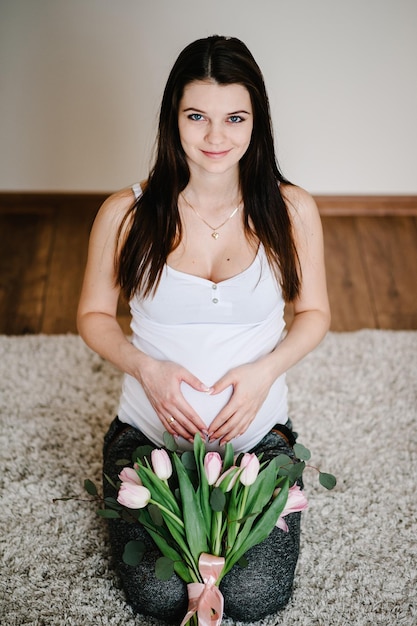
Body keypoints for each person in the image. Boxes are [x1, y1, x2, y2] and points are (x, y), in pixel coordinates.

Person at [77, 35, 330, 623]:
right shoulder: (126, 212)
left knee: (257, 595)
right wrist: (148, 368)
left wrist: (265, 371)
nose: (216, 138)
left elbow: (314, 314)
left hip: (254, 440)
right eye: (198, 116)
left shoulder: (291, 209)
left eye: (234, 118)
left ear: (256, 121)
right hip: (149, 439)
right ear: (173, 117)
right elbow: (92, 316)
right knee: (159, 594)